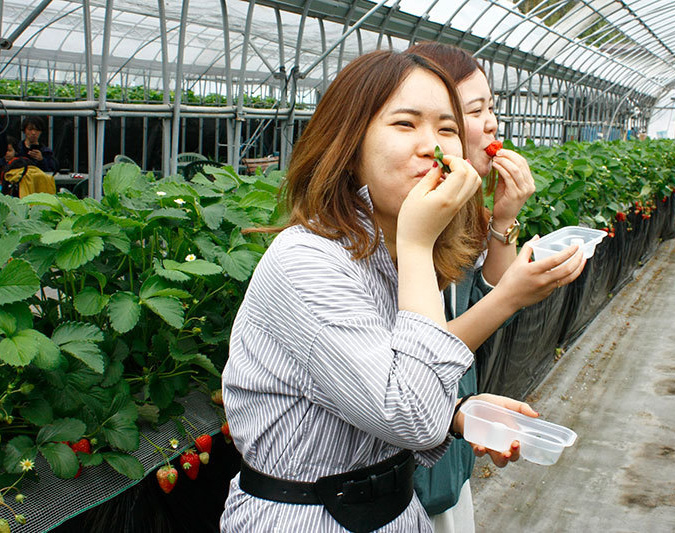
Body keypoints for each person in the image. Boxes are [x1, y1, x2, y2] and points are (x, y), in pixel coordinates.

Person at [220, 50, 552, 533]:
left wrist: (458, 413)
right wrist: (418, 244)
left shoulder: (385, 248)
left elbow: (381, 381)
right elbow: (410, 414)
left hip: (397, 512)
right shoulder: (306, 262)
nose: (431, 147)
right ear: (349, 146)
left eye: (446, 129)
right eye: (405, 124)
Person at [407, 42, 586, 532]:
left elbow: (480, 294)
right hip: (399, 461)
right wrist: (512, 296)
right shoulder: (400, 225)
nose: (492, 124)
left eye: (493, 108)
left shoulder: (458, 207)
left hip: (451, 430)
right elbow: (416, 360)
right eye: (475, 111)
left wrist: (504, 218)